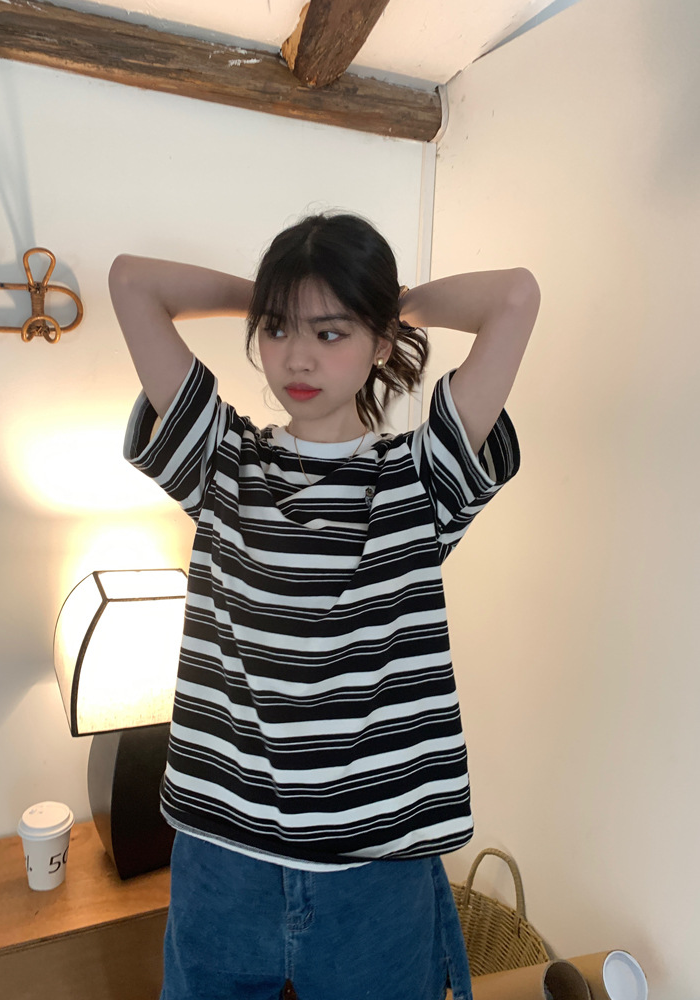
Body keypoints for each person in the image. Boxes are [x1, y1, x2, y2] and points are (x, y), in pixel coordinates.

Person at [109, 212, 540, 1000]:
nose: (297, 357)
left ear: (380, 343)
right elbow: (132, 282)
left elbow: (515, 298)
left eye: (331, 333)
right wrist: (278, 295)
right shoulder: (223, 461)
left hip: (376, 875)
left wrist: (384, 303)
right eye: (277, 329)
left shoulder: (421, 478)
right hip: (224, 859)